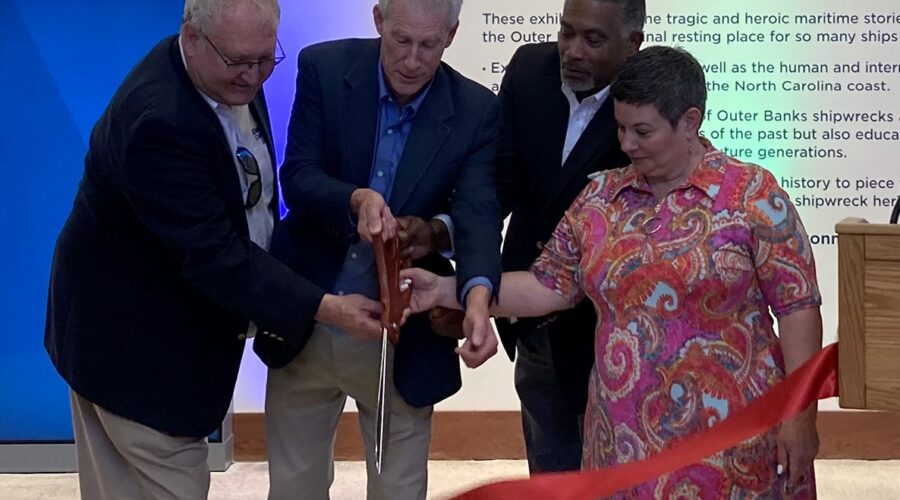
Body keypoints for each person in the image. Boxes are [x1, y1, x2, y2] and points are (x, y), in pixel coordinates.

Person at [404, 46, 822, 498]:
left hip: (735, 446)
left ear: (689, 122)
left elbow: (798, 308)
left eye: (642, 131)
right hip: (623, 446)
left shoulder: (753, 196)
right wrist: (451, 289)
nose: (626, 144)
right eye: (620, 128)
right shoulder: (601, 199)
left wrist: (800, 416)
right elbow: (548, 286)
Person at [43, 1, 384, 498]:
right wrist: (327, 307)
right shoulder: (159, 122)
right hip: (131, 349)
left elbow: (256, 199)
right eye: (240, 62)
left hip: (152, 331)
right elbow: (217, 256)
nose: (253, 77)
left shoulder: (224, 71)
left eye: (266, 60)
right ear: (192, 37)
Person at [253, 0, 502, 498]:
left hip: (402, 336)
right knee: (294, 486)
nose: (412, 60)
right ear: (378, 21)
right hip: (312, 315)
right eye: (401, 41)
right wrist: (355, 199)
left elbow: (478, 215)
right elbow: (298, 176)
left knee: (398, 489)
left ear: (452, 35)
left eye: (429, 45)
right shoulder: (323, 68)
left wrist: (477, 300)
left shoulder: (476, 110)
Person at [494, 0, 643, 473]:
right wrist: (457, 246)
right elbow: (499, 181)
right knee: (552, 468)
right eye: (566, 32)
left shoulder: (651, 96)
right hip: (534, 318)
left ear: (632, 44)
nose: (573, 51)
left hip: (611, 323)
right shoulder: (528, 71)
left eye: (593, 40)